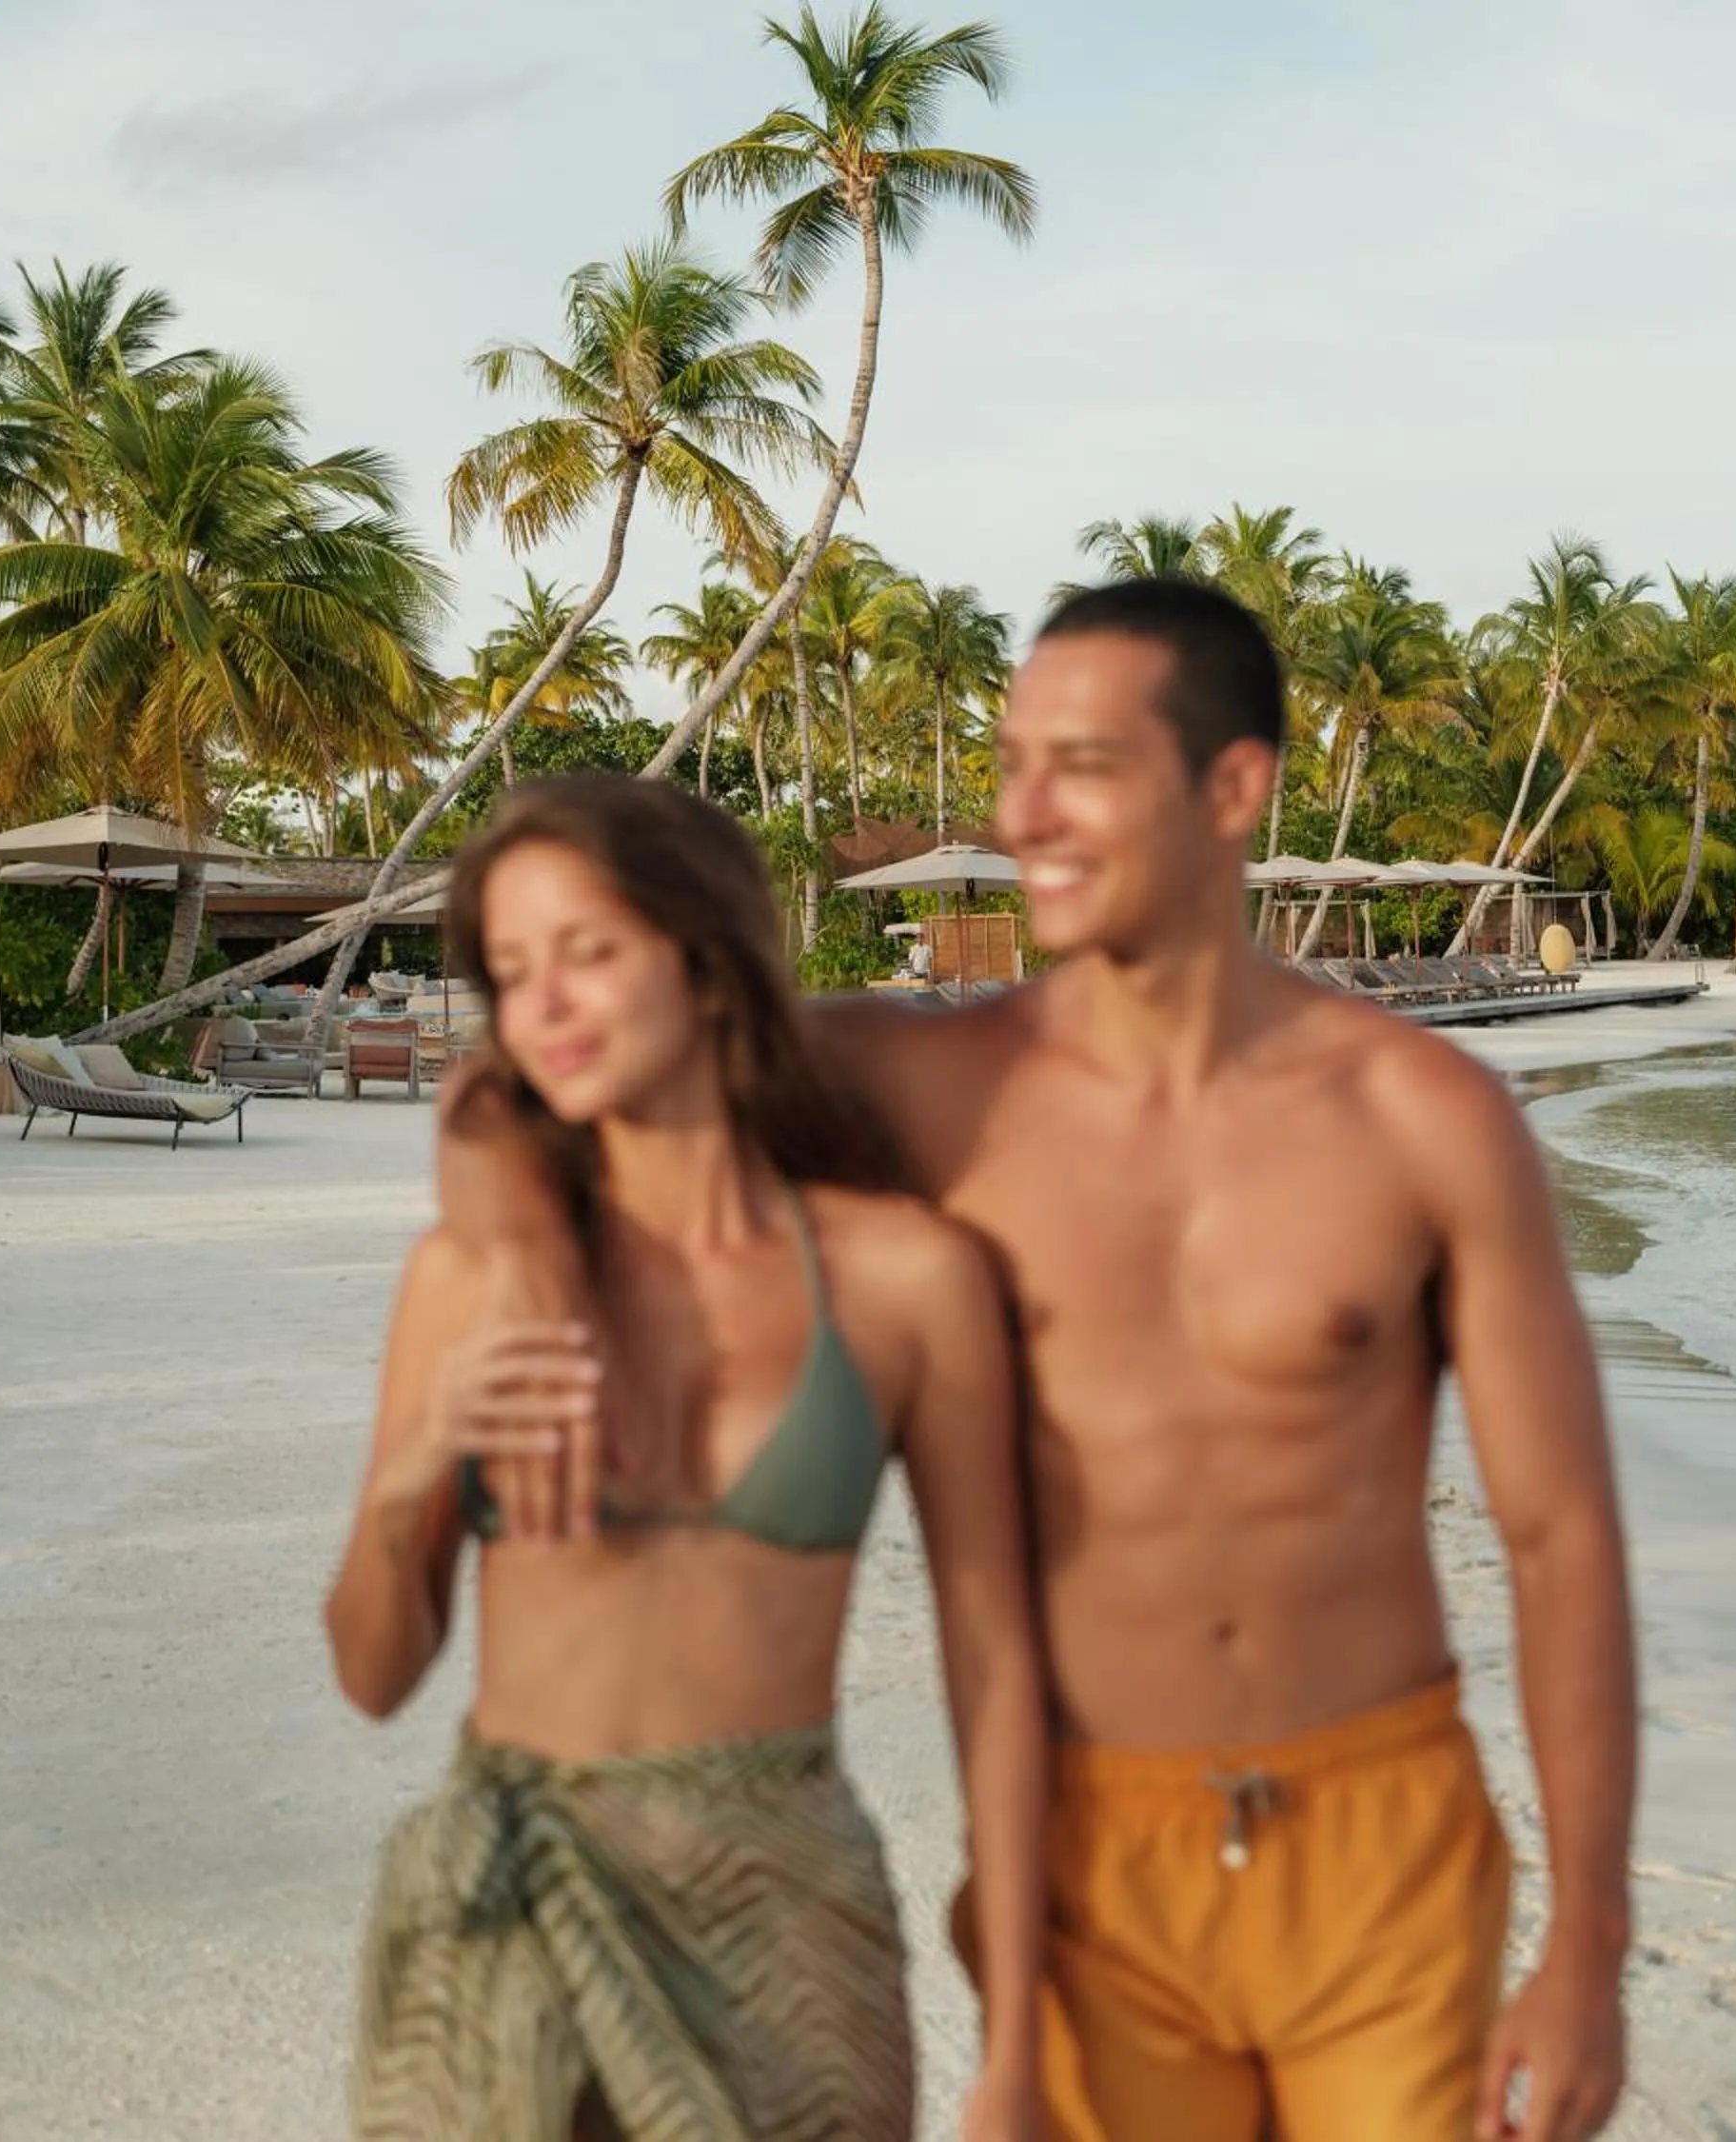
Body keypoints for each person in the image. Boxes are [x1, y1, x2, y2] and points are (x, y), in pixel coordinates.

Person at [442, 582, 1638, 2142]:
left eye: (1079, 764)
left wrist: (1590, 1945)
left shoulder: (1424, 1119)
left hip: (1383, 1837)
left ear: (1231, 787)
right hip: (1092, 1849)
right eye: (1013, 764)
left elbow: (1562, 1541)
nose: (1024, 813)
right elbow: (532, 1081)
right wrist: (524, 1240)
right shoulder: (918, 1082)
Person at [325, 775, 1046, 2142]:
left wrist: (1014, 2030)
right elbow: (371, 1674)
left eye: (589, 950)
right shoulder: (469, 1278)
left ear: (709, 962)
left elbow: (997, 1663)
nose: (544, 1004)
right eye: (512, 969)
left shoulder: (903, 1279)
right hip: (501, 1902)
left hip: (785, 1907)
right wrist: (421, 1462)